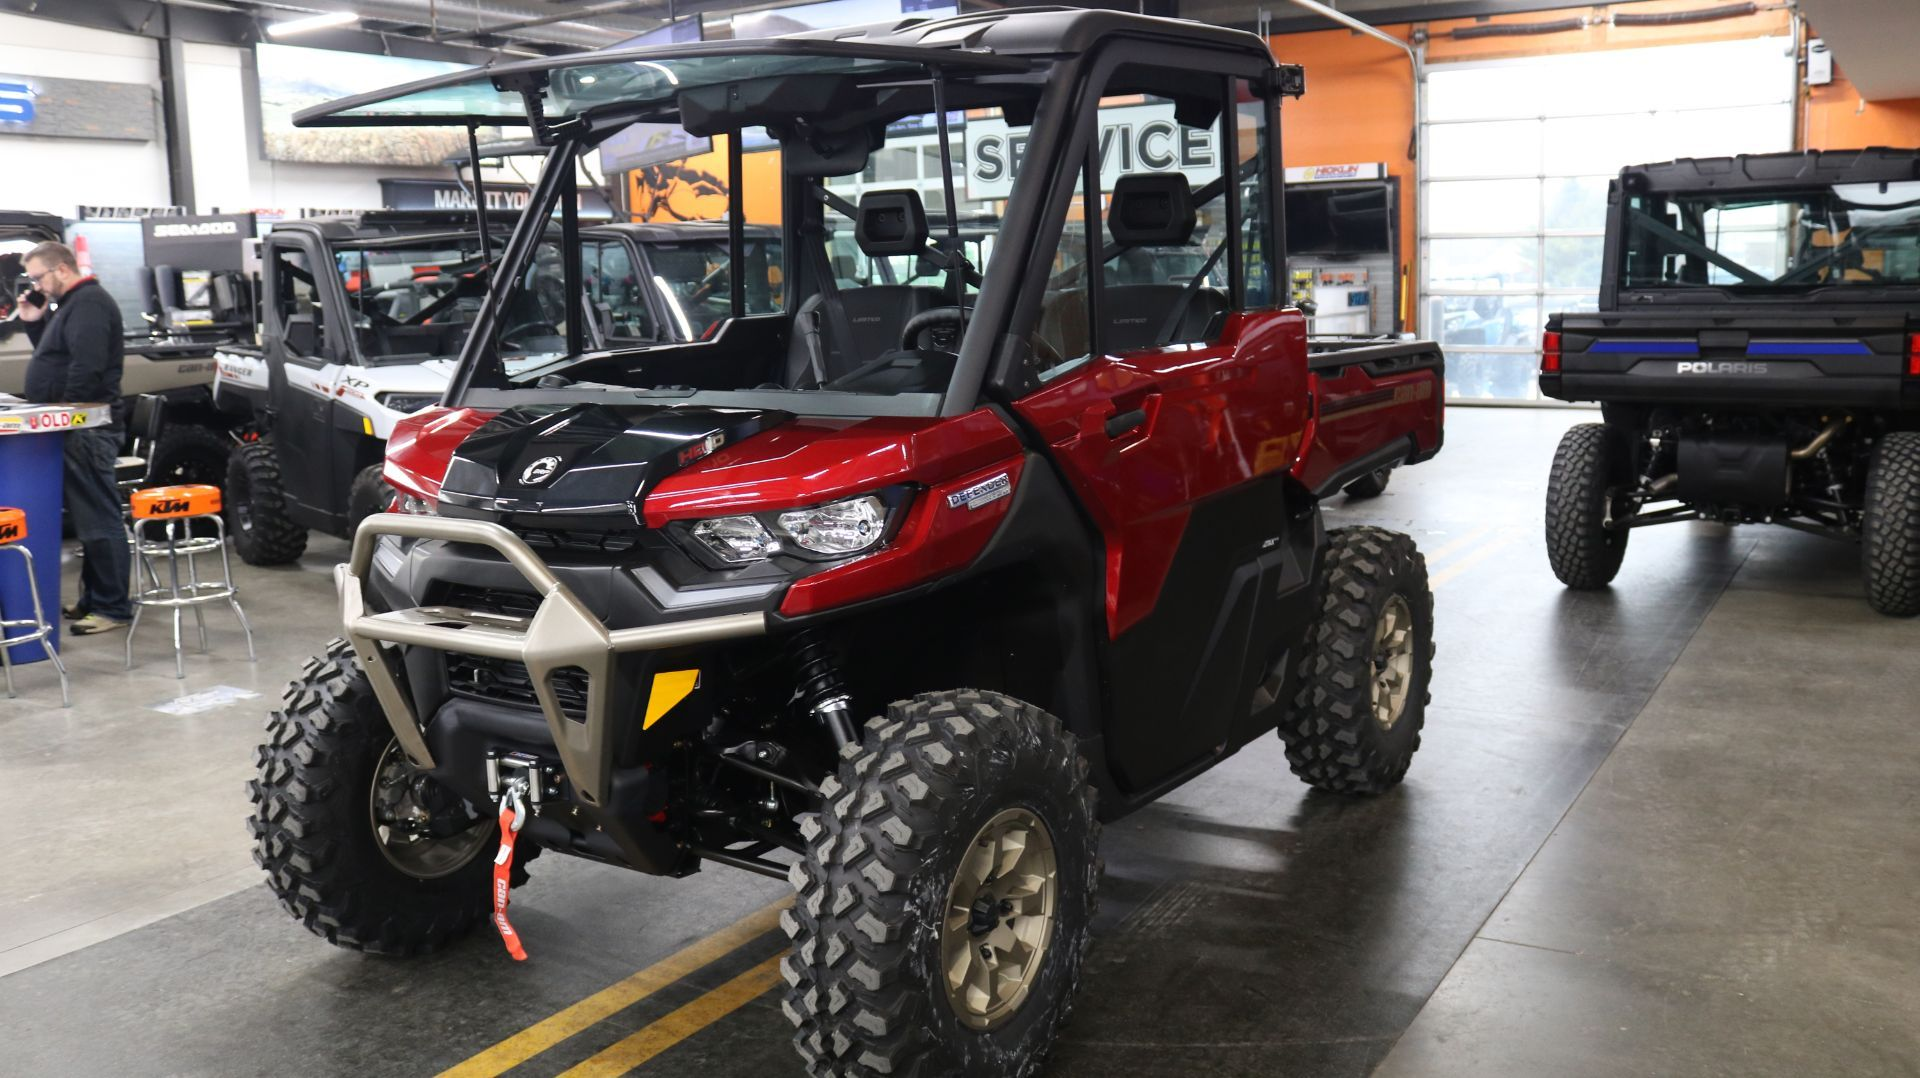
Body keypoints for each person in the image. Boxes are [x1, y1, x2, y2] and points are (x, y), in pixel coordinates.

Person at [17, 240, 131, 635]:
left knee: (99, 519)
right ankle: (93, 600)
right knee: (88, 520)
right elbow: (57, 357)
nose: (37, 285)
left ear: (61, 269)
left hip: (86, 427)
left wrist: (64, 411)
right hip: (73, 425)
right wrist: (34, 321)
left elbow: (86, 367)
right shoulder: (71, 307)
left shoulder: (90, 304)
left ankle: (113, 607)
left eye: (38, 277)